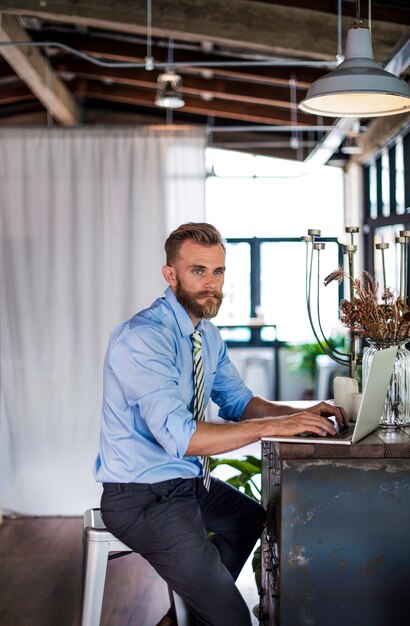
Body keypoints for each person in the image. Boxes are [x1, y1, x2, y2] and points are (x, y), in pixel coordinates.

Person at [93, 222, 347, 626]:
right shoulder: (142, 338)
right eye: (198, 271)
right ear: (170, 275)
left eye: (219, 272)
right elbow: (183, 438)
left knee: (248, 519)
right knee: (233, 619)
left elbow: (239, 402)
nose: (211, 283)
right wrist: (276, 428)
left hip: (185, 485)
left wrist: (299, 414)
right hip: (142, 498)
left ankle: (184, 618)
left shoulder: (205, 336)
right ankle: (208, 615)